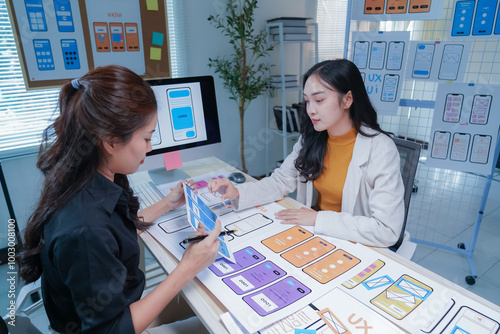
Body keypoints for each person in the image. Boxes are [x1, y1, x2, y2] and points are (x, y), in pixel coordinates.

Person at [18, 65, 220, 333]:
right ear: (110, 141)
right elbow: (112, 328)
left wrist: (168, 203)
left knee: (207, 301)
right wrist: (186, 268)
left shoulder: (89, 174)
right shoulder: (84, 229)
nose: (150, 147)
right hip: (115, 325)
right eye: (147, 138)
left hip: (120, 309)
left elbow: (115, 228)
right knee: (217, 320)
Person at [209, 59, 404, 247]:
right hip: (317, 233)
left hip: (353, 241)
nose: (310, 110)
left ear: (347, 99)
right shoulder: (312, 138)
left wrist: (318, 219)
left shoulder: (381, 149)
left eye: (319, 100)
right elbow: (279, 182)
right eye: (307, 101)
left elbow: (387, 230)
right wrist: (238, 193)